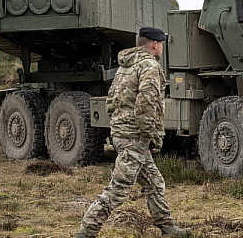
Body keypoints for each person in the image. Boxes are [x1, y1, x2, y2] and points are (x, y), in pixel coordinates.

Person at [77, 27, 191, 238]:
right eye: (162, 44)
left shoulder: (125, 66)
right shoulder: (149, 66)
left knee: (154, 182)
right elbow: (147, 104)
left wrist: (119, 125)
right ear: (155, 45)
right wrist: (151, 136)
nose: (162, 48)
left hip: (123, 133)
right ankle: (87, 231)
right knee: (119, 187)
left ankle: (168, 227)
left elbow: (111, 101)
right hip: (135, 136)